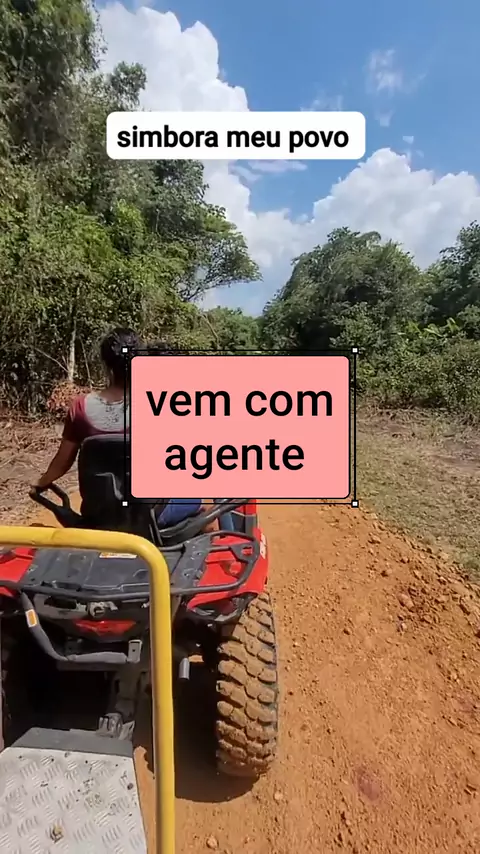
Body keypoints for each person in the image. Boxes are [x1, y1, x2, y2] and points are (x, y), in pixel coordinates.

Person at [33, 327, 202, 527]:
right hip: (149, 514)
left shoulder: (80, 408)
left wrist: (41, 483)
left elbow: (62, 464)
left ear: (106, 365)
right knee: (204, 500)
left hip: (99, 515)